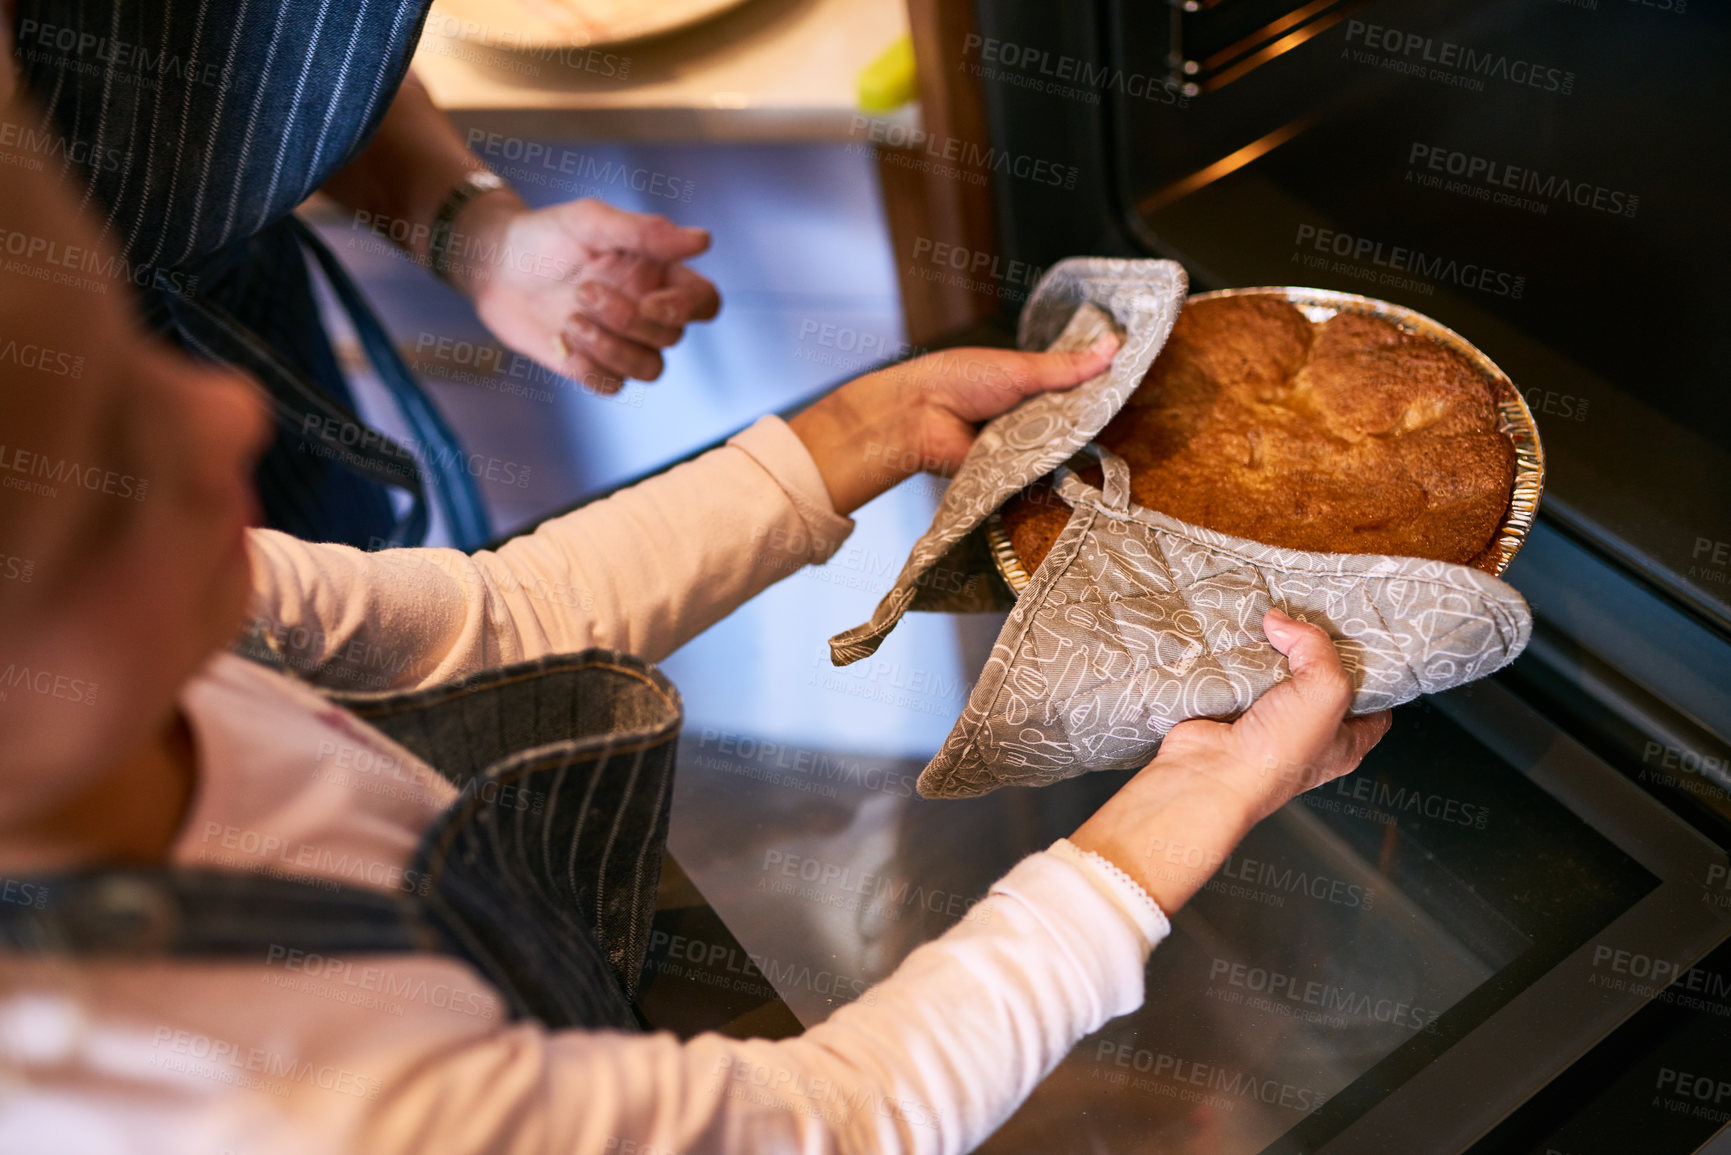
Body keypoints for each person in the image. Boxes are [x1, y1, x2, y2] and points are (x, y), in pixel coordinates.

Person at [0, 157, 1391, 1153]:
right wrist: (1192, 796)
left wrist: (859, 426)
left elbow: (482, 630)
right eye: (109, 471)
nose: (230, 415)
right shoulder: (255, 1096)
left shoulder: (158, 650)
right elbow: (836, 1118)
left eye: (130, 371)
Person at [1, 0, 720, 549]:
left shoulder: (230, 411)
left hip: (264, 348)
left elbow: (269, 69)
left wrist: (473, 236)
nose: (232, 416)